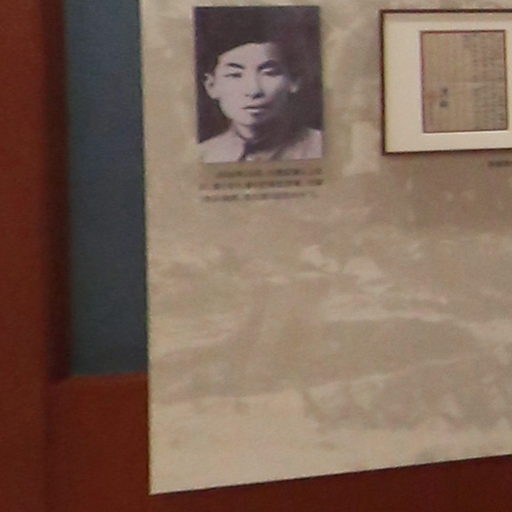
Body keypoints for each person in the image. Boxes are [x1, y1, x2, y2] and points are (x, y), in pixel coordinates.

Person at [195, 6, 322, 163]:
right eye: (235, 75)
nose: (254, 90)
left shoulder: (322, 148)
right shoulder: (200, 157)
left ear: (294, 81)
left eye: (269, 73)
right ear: (211, 86)